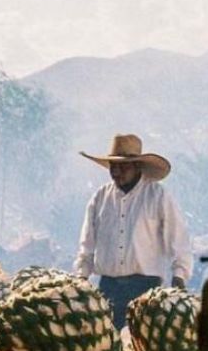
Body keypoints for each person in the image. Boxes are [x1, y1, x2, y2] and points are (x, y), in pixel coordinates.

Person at [74, 133, 192, 330]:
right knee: (105, 343)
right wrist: (81, 278)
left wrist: (179, 276)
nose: (116, 172)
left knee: (145, 345)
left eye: (123, 166)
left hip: (146, 287)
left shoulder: (157, 196)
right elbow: (87, 244)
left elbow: (178, 240)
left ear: (137, 166)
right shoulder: (100, 198)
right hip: (109, 287)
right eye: (113, 166)